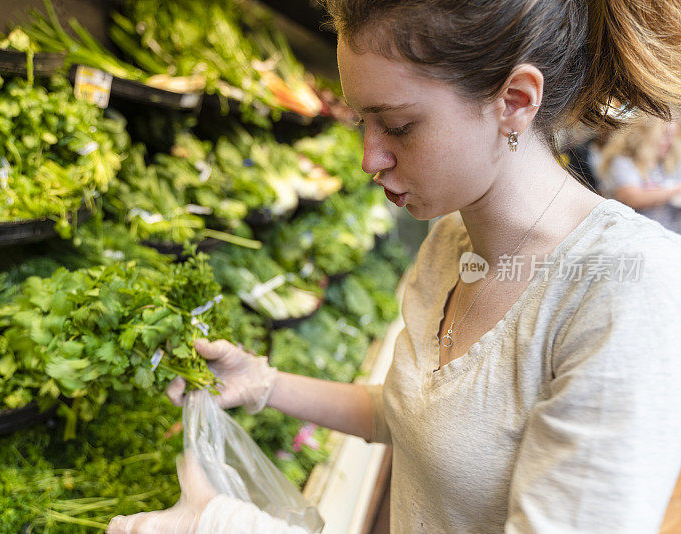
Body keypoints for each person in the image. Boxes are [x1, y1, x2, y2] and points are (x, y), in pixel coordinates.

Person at [108, 0, 681, 532]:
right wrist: (265, 383)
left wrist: (226, 525)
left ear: (514, 102)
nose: (369, 159)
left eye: (398, 126)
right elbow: (423, 418)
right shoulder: (450, 243)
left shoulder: (625, 290)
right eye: (362, 123)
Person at [594, 113, 681, 233]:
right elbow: (633, 198)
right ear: (646, 135)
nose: (670, 142)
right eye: (665, 135)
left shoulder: (666, 161)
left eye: (672, 136)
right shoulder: (623, 161)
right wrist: (675, 191)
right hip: (638, 235)